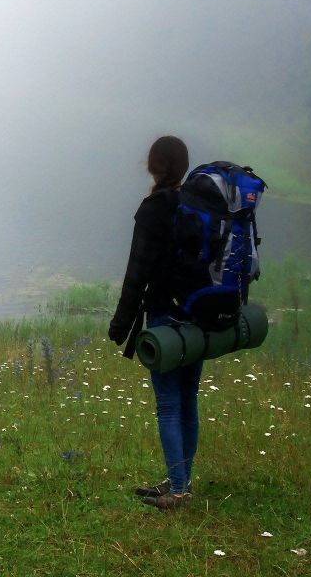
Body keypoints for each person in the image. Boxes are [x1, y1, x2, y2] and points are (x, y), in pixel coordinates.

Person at [108, 135, 200, 511]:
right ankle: (181, 481)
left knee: (168, 404)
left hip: (164, 317)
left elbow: (137, 270)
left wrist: (121, 323)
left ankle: (177, 491)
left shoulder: (153, 209)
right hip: (199, 316)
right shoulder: (196, 204)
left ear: (152, 165)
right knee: (187, 399)